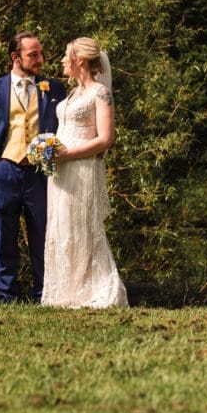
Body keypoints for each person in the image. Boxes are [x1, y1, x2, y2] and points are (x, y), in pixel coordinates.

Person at [41, 37, 127, 308]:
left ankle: (99, 289)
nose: (63, 61)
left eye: (67, 56)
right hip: (61, 171)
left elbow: (105, 139)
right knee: (63, 226)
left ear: (79, 59)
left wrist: (68, 154)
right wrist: (47, 148)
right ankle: (67, 292)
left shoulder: (100, 92)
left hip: (82, 168)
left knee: (83, 228)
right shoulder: (73, 93)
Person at [0, 32, 67, 302]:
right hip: (5, 170)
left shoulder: (54, 89)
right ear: (16, 57)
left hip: (41, 174)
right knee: (3, 236)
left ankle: (44, 293)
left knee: (44, 235)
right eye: (33, 55)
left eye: (41, 53)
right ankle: (5, 295)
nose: (40, 59)